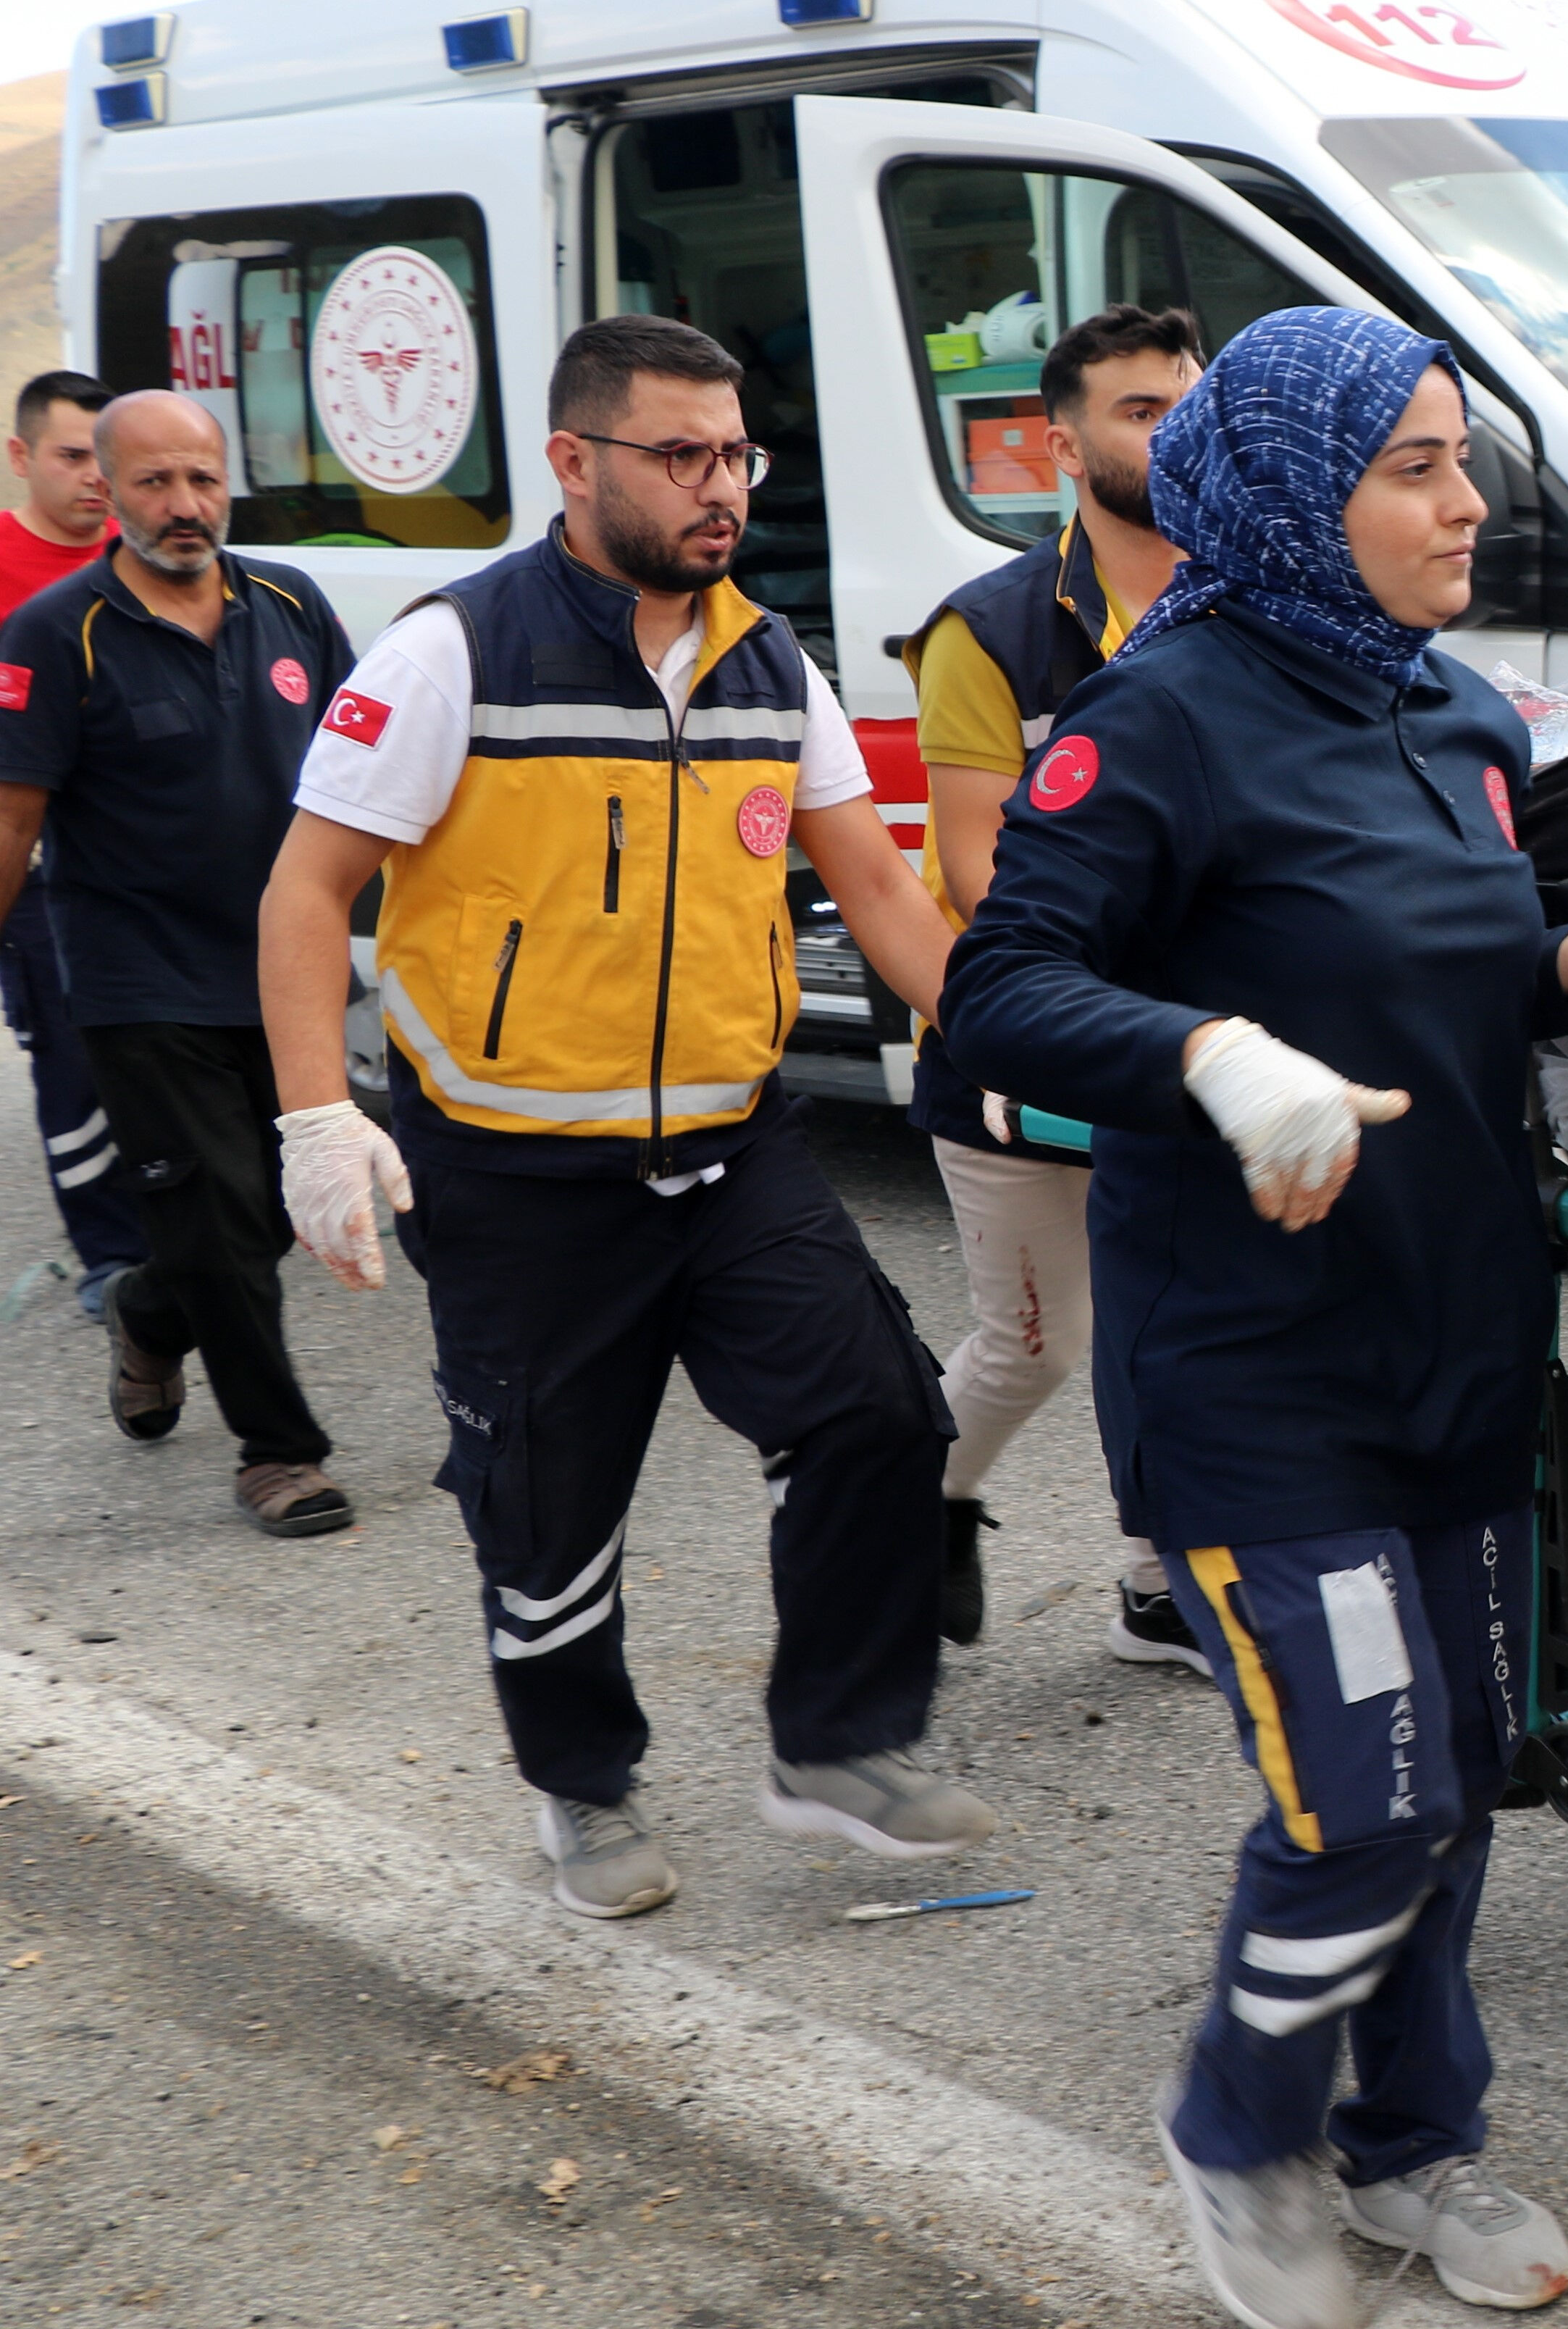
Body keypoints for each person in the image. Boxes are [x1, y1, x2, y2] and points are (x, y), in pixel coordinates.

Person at [944, 306, 1568, 2325]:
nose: (1470, 502)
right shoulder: (1156, 716)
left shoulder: (1465, 722)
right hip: (1259, 1373)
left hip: (1460, 1340)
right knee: (1370, 1800)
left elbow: (1463, 970)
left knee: (1468, 1768)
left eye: (1465, 458)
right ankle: (1237, 2128)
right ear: (1290, 494)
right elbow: (996, 989)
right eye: (1418, 465)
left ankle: (1415, 2149)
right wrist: (1206, 1053)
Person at [257, 313, 994, 1923]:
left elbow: (875, 883)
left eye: (734, 453)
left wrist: (1017, 1036)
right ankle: (581, 1786)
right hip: (520, 1180)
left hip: (736, 1150)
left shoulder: (765, 658)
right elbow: (310, 890)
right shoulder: (455, 651)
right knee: (546, 1512)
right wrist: (320, 1117)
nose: (717, 486)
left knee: (878, 1410)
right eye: (680, 455)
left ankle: (839, 1744)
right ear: (575, 462)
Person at [895, 301, 1210, 1670]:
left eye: (1184, 404)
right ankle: (925, 1496)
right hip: (1018, 1044)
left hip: (1187, 1038)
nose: (1169, 428)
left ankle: (1157, 1582)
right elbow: (975, 873)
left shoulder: (1242, 597)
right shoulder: (991, 631)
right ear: (1059, 439)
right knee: (1032, 1341)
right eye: (1138, 409)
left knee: (1171, 1320)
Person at [0, 391, 352, 1531]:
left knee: (270, 1215)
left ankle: (151, 1315)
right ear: (110, 489)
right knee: (213, 1214)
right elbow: (13, 823)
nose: (184, 505)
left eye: (201, 479)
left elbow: (368, 770)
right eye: (154, 483)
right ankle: (278, 1453)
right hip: (136, 975)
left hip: (284, 970)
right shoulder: (58, 633)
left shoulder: (291, 602)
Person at [0, 372, 151, 1320]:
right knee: (71, 1054)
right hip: (40, 869)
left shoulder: (150, 562)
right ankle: (111, 1257)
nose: (96, 478)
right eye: (71, 457)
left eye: (107, 457)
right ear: (20, 457)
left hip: (153, 861)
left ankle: (203, 1222)